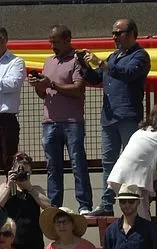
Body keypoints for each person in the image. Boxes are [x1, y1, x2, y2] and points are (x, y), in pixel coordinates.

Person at [78, 18, 150, 217]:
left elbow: (128, 73)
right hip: (109, 118)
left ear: (132, 33)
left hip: (128, 116)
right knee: (108, 162)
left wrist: (102, 64)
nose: (114, 37)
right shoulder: (114, 56)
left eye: (119, 33)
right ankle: (106, 204)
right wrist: (84, 66)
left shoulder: (140, 55)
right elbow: (96, 78)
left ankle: (135, 203)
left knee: (131, 161)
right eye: (113, 33)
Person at [30, 25, 93, 213]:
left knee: (78, 164)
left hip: (72, 122)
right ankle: (54, 207)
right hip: (50, 122)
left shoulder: (77, 60)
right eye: (50, 42)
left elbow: (78, 89)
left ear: (67, 40)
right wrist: (38, 85)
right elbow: (43, 94)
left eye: (55, 42)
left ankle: (84, 205)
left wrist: (52, 84)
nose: (52, 46)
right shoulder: (49, 61)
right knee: (52, 167)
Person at [107, 104, 157, 220]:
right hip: (135, 180)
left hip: (118, 175)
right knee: (141, 220)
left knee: (134, 217)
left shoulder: (140, 131)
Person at [0, 152, 48, 249]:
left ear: (30, 172)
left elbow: (49, 207)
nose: (21, 172)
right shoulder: (5, 187)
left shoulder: (35, 189)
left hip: (33, 243)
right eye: (18, 169)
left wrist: (29, 187)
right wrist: (9, 186)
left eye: (25, 169)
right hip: (10, 244)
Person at [0, 27, 25, 173]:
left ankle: (11, 188)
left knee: (9, 163)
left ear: (4, 40)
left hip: (6, 120)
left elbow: (14, 83)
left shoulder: (16, 61)